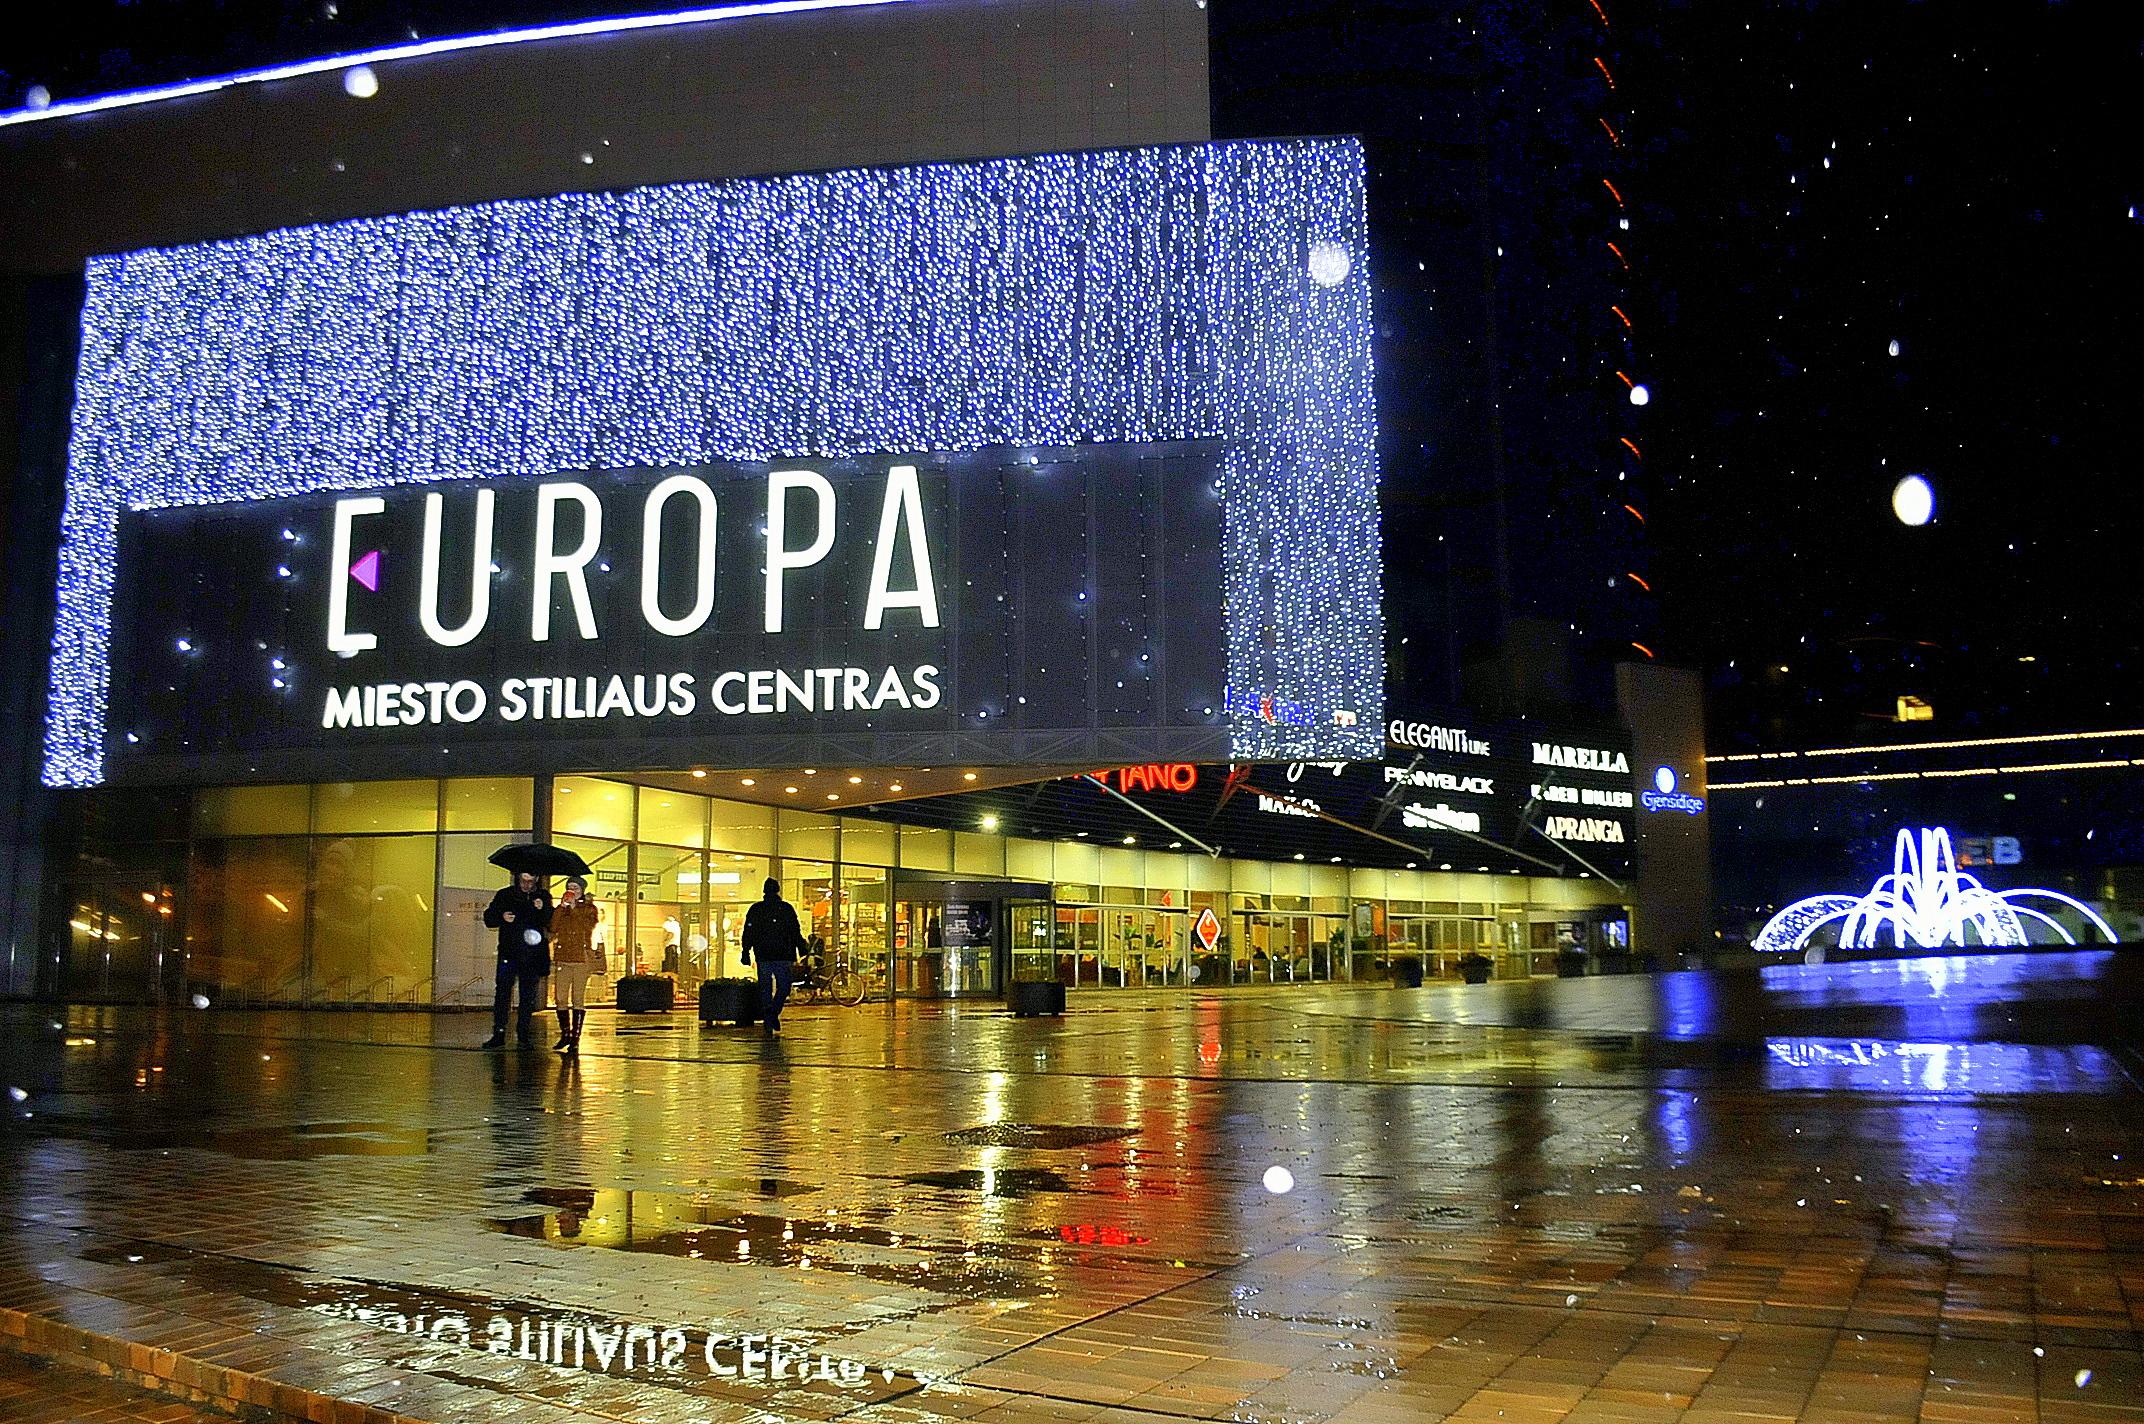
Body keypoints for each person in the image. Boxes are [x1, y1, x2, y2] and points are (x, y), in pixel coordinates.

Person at [481, 870, 553, 1048]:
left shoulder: (543, 896)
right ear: (518, 878)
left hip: (532, 955)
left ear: (537, 879)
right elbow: (489, 918)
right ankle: (499, 1033)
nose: (526, 885)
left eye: (530, 881)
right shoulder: (505, 895)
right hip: (509, 953)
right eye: (523, 880)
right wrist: (501, 917)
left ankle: (523, 1034)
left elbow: (550, 922)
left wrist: (542, 909)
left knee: (528, 996)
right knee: (503, 993)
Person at [739, 877, 804, 1034]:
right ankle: (773, 1012)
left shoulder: (757, 909)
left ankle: (769, 1012)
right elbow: (795, 930)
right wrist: (801, 947)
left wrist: (746, 950)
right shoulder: (785, 908)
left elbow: (749, 931)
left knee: (765, 987)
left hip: (763, 954)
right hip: (783, 954)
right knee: (784, 986)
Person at [548, 877, 603, 1054]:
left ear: (582, 891)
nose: (572, 891)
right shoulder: (561, 909)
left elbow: (586, 928)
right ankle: (565, 1034)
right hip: (563, 957)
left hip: (581, 957)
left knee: (577, 998)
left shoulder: (589, 909)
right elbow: (553, 927)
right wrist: (561, 908)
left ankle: (575, 1039)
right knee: (560, 997)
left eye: (576, 888)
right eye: (569, 887)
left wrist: (573, 908)